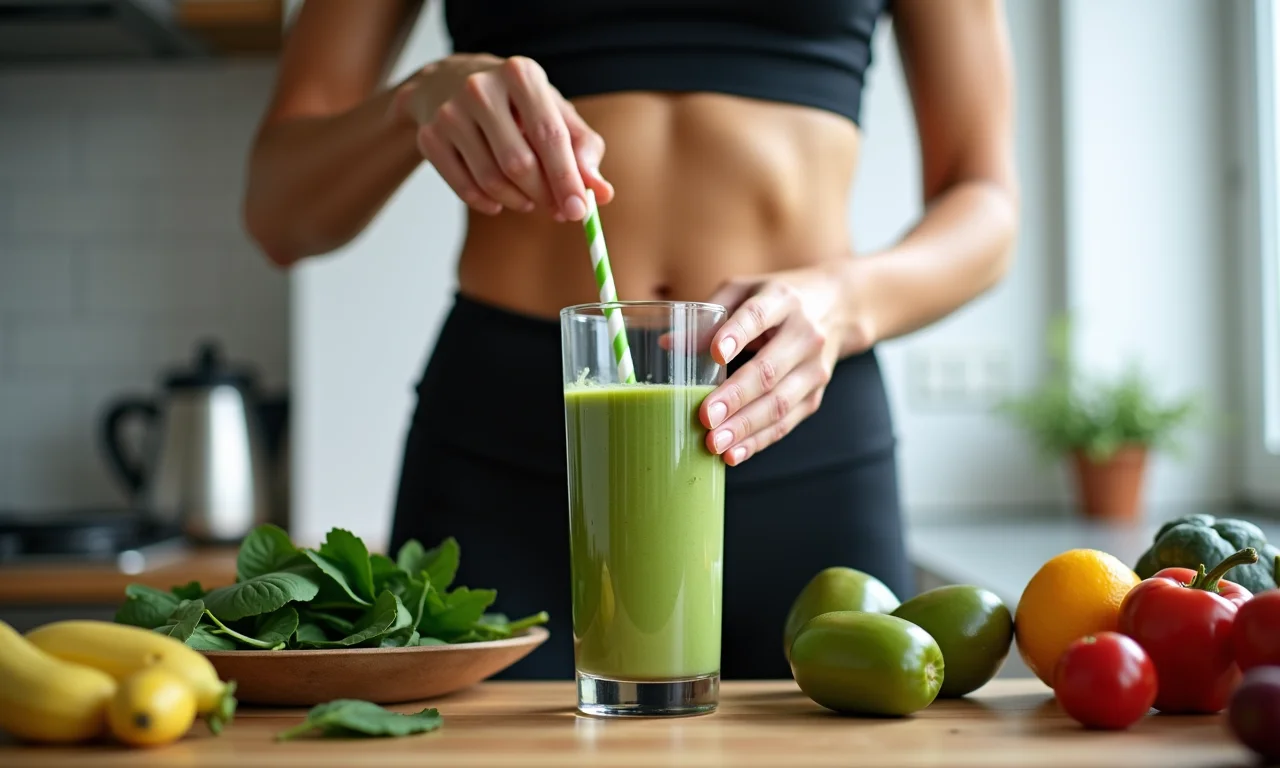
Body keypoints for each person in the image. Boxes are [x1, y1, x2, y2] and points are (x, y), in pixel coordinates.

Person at [243, 0, 1018, 680]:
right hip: (505, 453)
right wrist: (412, 101)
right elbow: (277, 211)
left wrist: (847, 299)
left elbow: (988, 203)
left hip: (794, 422)